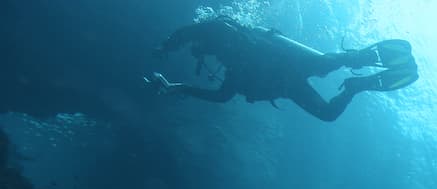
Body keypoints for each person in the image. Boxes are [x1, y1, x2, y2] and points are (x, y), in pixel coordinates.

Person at [144, 17, 419, 122]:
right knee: (328, 113)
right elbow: (222, 96)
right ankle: (356, 85)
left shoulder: (218, 31)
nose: (201, 53)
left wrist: (165, 47)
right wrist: (177, 87)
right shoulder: (229, 64)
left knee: (326, 63)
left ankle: (367, 55)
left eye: (199, 49)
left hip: (282, 62)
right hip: (284, 83)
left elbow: (188, 31)